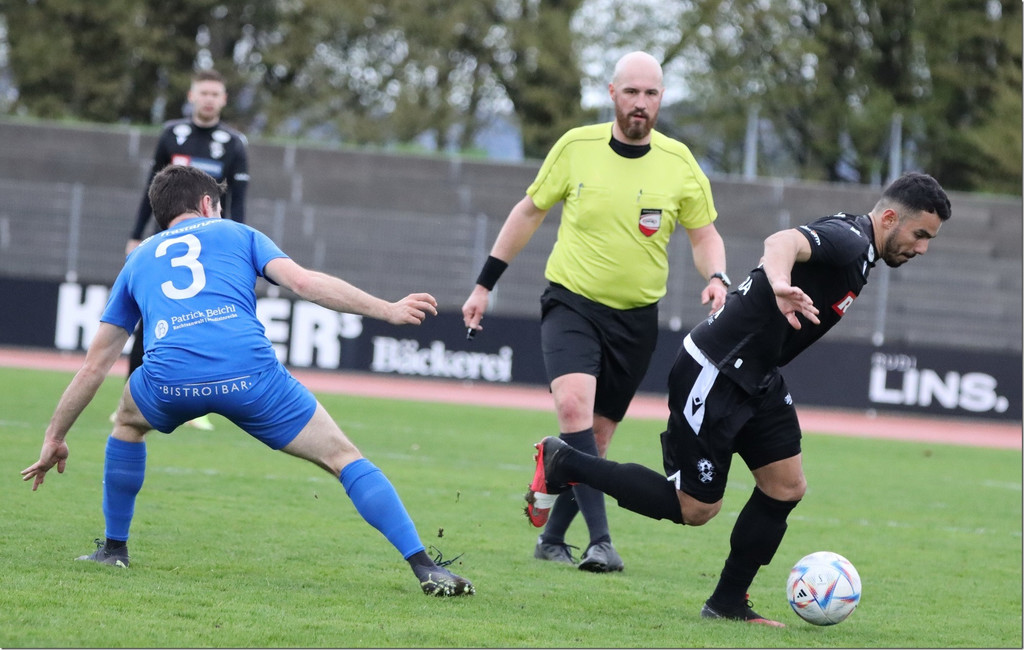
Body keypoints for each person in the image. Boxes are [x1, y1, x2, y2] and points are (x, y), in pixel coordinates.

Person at [22, 164, 474, 598]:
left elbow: (94, 366)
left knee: (126, 423)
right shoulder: (238, 233)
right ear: (207, 204)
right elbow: (304, 283)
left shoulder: (138, 259)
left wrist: (55, 437)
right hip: (249, 374)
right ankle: (424, 566)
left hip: (169, 381)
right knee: (342, 457)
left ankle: (114, 550)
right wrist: (387, 309)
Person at [525, 171, 951, 624]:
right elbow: (782, 241)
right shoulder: (849, 239)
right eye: (920, 234)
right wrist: (780, 283)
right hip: (716, 370)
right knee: (695, 507)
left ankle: (727, 603)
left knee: (786, 486)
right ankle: (564, 462)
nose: (922, 248)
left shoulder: (861, 249)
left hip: (758, 376)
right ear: (890, 218)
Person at [462, 51, 728, 573]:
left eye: (650, 94)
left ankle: (551, 539)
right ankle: (602, 542)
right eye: (631, 92)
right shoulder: (575, 147)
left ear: (661, 98)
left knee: (596, 441)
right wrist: (483, 285)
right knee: (573, 408)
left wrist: (716, 277)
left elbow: (704, 235)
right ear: (612, 93)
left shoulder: (679, 163)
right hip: (572, 302)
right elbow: (528, 212)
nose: (640, 103)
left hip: (636, 319)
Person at [124, 69, 250, 431]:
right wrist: (136, 235)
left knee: (201, 319)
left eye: (215, 94)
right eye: (203, 92)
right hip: (163, 245)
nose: (209, 99)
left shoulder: (233, 143)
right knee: (147, 316)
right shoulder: (172, 134)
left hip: (209, 249)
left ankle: (196, 403)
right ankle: (130, 401)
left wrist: (237, 245)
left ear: (223, 100)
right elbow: (151, 190)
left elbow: (238, 201)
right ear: (192, 96)